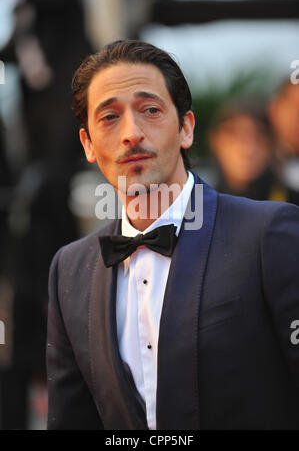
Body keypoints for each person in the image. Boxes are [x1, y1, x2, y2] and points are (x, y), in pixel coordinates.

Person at [47, 40, 299, 430]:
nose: (131, 133)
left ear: (186, 128)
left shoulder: (269, 234)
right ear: (88, 145)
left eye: (150, 110)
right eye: (109, 117)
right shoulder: (70, 269)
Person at [209, 97, 299, 204]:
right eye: (234, 135)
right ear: (215, 141)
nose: (247, 149)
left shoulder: (292, 206)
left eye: (258, 137)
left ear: (271, 146)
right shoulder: (196, 206)